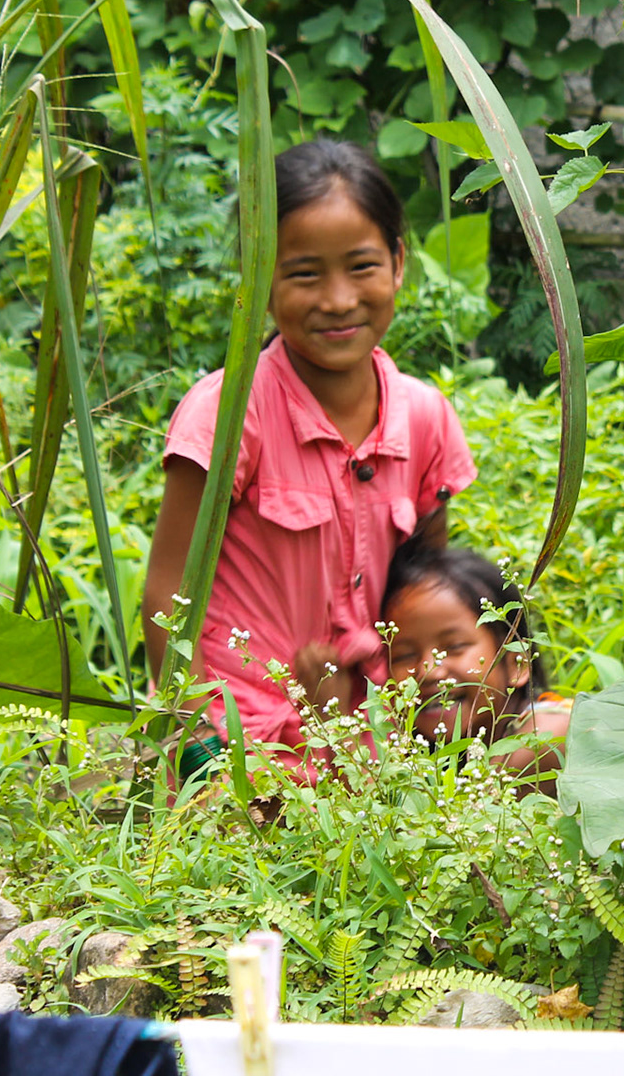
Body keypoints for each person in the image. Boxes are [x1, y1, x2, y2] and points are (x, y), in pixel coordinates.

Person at [143, 139, 477, 783]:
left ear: (399, 262)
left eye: (361, 267)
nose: (337, 299)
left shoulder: (426, 416)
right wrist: (196, 744)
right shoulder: (226, 412)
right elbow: (167, 591)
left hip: (373, 738)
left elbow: (425, 586)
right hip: (243, 737)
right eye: (303, 274)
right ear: (260, 278)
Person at [381, 543, 569, 791]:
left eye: (455, 646)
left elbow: (457, 818)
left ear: (517, 663)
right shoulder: (423, 756)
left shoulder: (548, 735)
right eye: (404, 655)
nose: (429, 671)